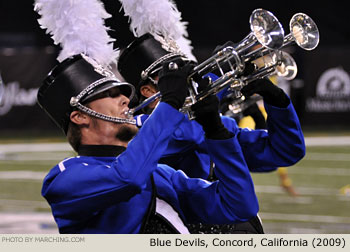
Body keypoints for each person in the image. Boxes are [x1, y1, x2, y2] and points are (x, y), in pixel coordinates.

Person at [37, 54, 259, 234]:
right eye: (111, 94)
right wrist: (169, 104)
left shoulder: (162, 174)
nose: (125, 100)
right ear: (80, 117)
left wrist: (215, 130)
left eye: (123, 94)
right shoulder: (64, 178)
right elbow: (128, 178)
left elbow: (240, 206)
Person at [118, 34, 306, 180]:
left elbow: (285, 152)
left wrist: (276, 100)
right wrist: (216, 78)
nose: (186, 81)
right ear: (148, 91)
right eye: (173, 76)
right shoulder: (133, 131)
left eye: (186, 72)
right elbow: (182, 134)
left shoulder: (217, 125)